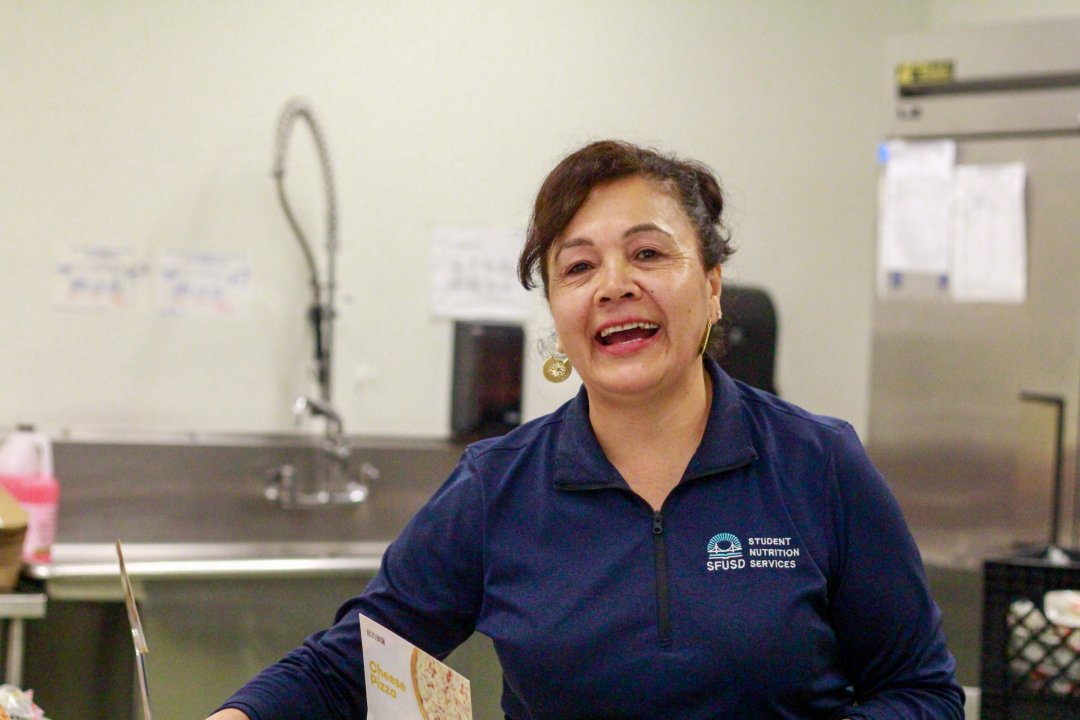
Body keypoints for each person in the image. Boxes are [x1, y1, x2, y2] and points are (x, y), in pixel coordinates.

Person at [208, 140, 964, 719]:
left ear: (710, 286)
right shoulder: (496, 487)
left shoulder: (818, 464)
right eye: (577, 268)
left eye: (647, 253)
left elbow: (922, 691)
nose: (613, 285)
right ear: (559, 317)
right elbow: (354, 665)